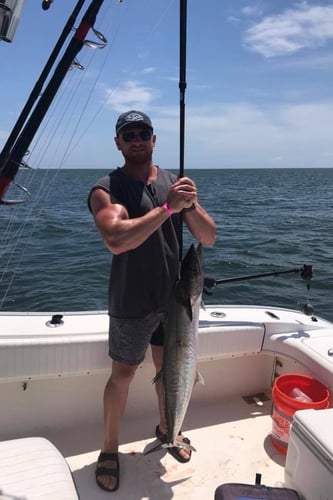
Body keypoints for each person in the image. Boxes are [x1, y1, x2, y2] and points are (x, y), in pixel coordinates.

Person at [87, 110, 216, 492]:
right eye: (129, 135)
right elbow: (115, 238)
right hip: (131, 299)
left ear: (154, 139)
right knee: (122, 375)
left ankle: (167, 430)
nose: (137, 139)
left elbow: (207, 237)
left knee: (170, 369)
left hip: (174, 299)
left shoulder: (175, 184)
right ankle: (109, 450)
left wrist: (187, 205)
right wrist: (166, 210)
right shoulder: (106, 188)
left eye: (143, 132)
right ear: (118, 143)